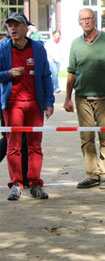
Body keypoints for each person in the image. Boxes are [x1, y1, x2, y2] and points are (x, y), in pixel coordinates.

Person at [65, 8, 105, 189]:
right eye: (83, 19)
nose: (86, 21)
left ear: (95, 20)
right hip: (82, 97)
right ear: (79, 22)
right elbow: (71, 72)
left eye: (89, 18)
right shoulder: (75, 44)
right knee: (86, 137)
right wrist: (67, 97)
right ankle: (92, 175)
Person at [0, 13, 55, 200]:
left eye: (16, 25)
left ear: (26, 28)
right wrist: (7, 73)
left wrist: (49, 103)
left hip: (34, 104)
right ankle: (16, 184)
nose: (12, 29)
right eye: (10, 26)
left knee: (35, 146)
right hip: (12, 104)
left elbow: (46, 76)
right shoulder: (3, 48)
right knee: (13, 146)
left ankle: (35, 183)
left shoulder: (38, 48)